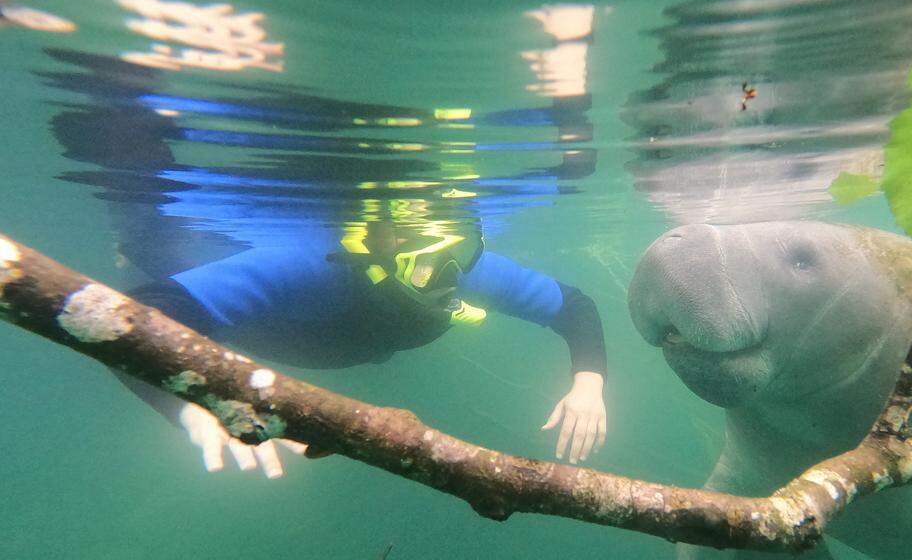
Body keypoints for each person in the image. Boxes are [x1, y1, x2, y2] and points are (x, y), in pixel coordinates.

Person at [131, 218, 608, 475]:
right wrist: (191, 407)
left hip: (334, 343)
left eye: (459, 256)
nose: (450, 277)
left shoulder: (466, 272)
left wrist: (588, 385)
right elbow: (141, 315)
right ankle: (134, 237)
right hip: (242, 317)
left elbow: (573, 306)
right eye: (427, 264)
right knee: (155, 251)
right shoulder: (315, 265)